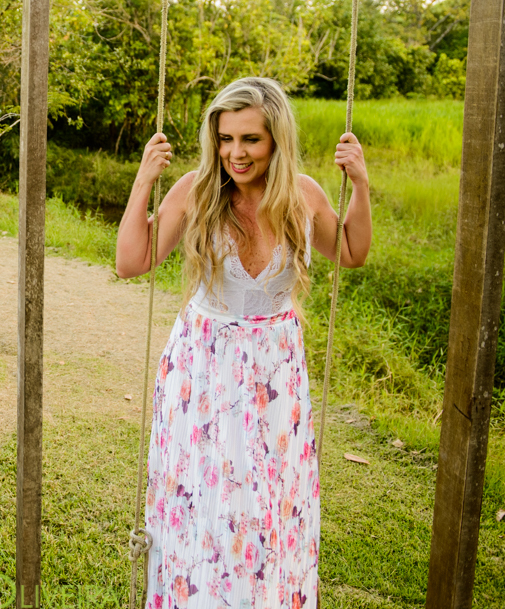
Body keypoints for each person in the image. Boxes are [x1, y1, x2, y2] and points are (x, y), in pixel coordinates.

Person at [115, 77, 371, 609]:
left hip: (275, 373)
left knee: (268, 505)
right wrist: (144, 181)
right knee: (207, 502)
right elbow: (130, 263)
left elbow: (349, 251)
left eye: (250, 139)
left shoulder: (302, 195)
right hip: (203, 368)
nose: (236, 152)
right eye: (226, 138)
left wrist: (361, 185)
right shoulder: (198, 190)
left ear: (276, 138)